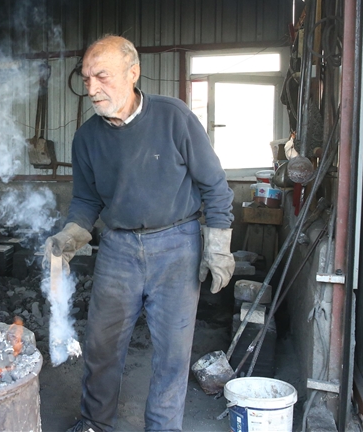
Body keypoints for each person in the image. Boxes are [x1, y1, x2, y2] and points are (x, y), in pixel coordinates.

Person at [47, 35, 235, 432]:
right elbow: (85, 201)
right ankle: (96, 423)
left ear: (133, 73)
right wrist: (71, 234)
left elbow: (215, 186)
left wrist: (218, 247)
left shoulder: (174, 117)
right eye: (86, 79)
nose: (92, 88)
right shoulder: (86, 138)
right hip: (117, 249)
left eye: (102, 76)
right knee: (101, 347)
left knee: (172, 353)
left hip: (177, 245)